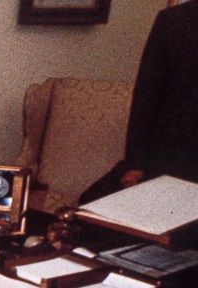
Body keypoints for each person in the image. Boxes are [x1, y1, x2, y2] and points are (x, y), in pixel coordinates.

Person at [78, 1, 198, 205]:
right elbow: (146, 96)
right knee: (91, 207)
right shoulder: (174, 20)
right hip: (167, 158)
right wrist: (136, 163)